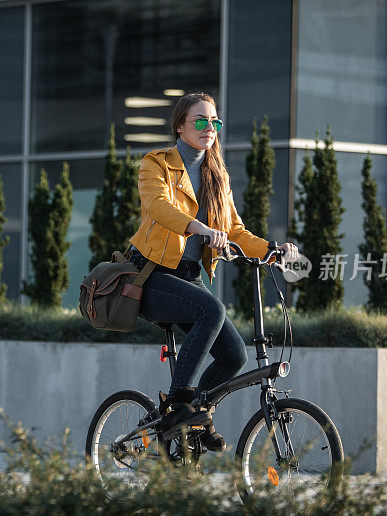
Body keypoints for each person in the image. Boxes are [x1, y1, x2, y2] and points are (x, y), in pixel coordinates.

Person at [127, 93, 298, 451]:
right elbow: (158, 207)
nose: (210, 128)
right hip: (150, 275)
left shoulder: (216, 175)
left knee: (234, 355)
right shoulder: (155, 164)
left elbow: (235, 232)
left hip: (188, 276)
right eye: (201, 121)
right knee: (213, 309)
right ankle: (177, 406)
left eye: (215, 122)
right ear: (180, 126)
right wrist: (199, 229)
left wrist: (271, 251)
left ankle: (196, 413)